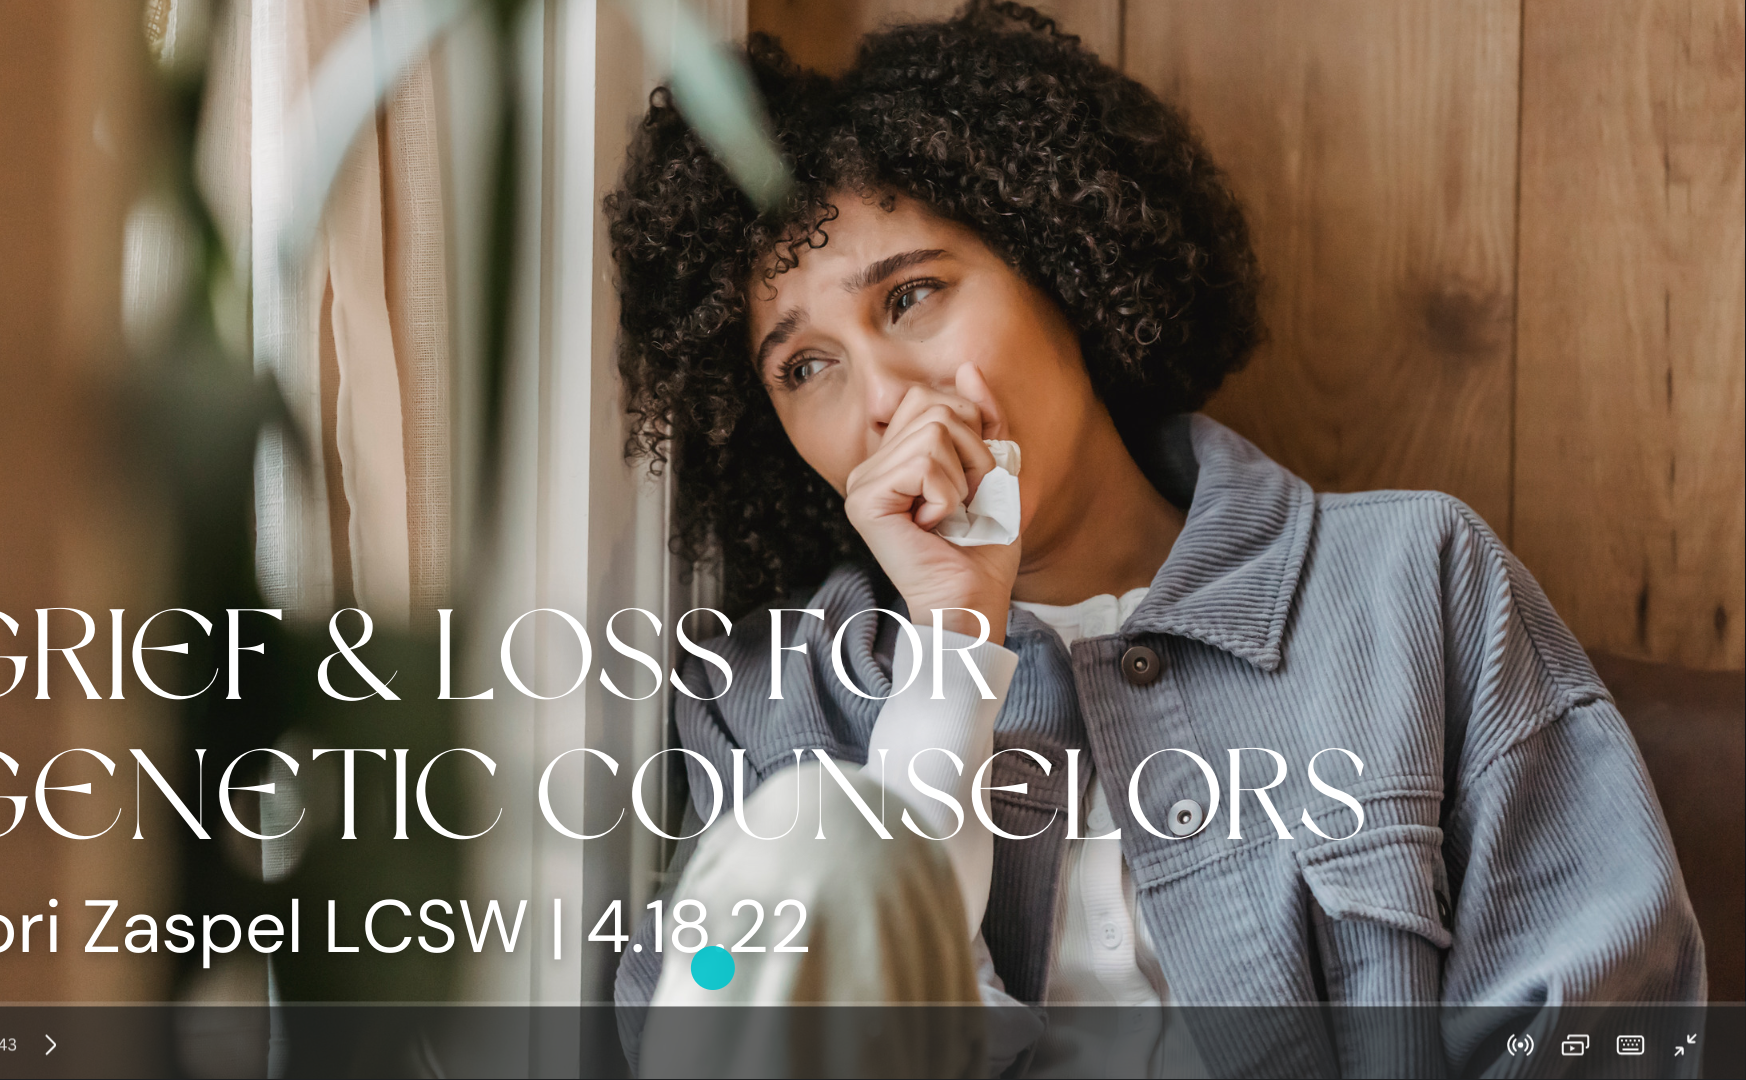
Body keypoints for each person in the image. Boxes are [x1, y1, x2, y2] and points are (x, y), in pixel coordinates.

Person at [605, 3, 1704, 1076]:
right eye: (805, 367)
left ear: (1061, 268)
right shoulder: (761, 699)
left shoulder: (1417, 584)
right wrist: (949, 657)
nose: (884, 398)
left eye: (913, 295)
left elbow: (1607, 1023)